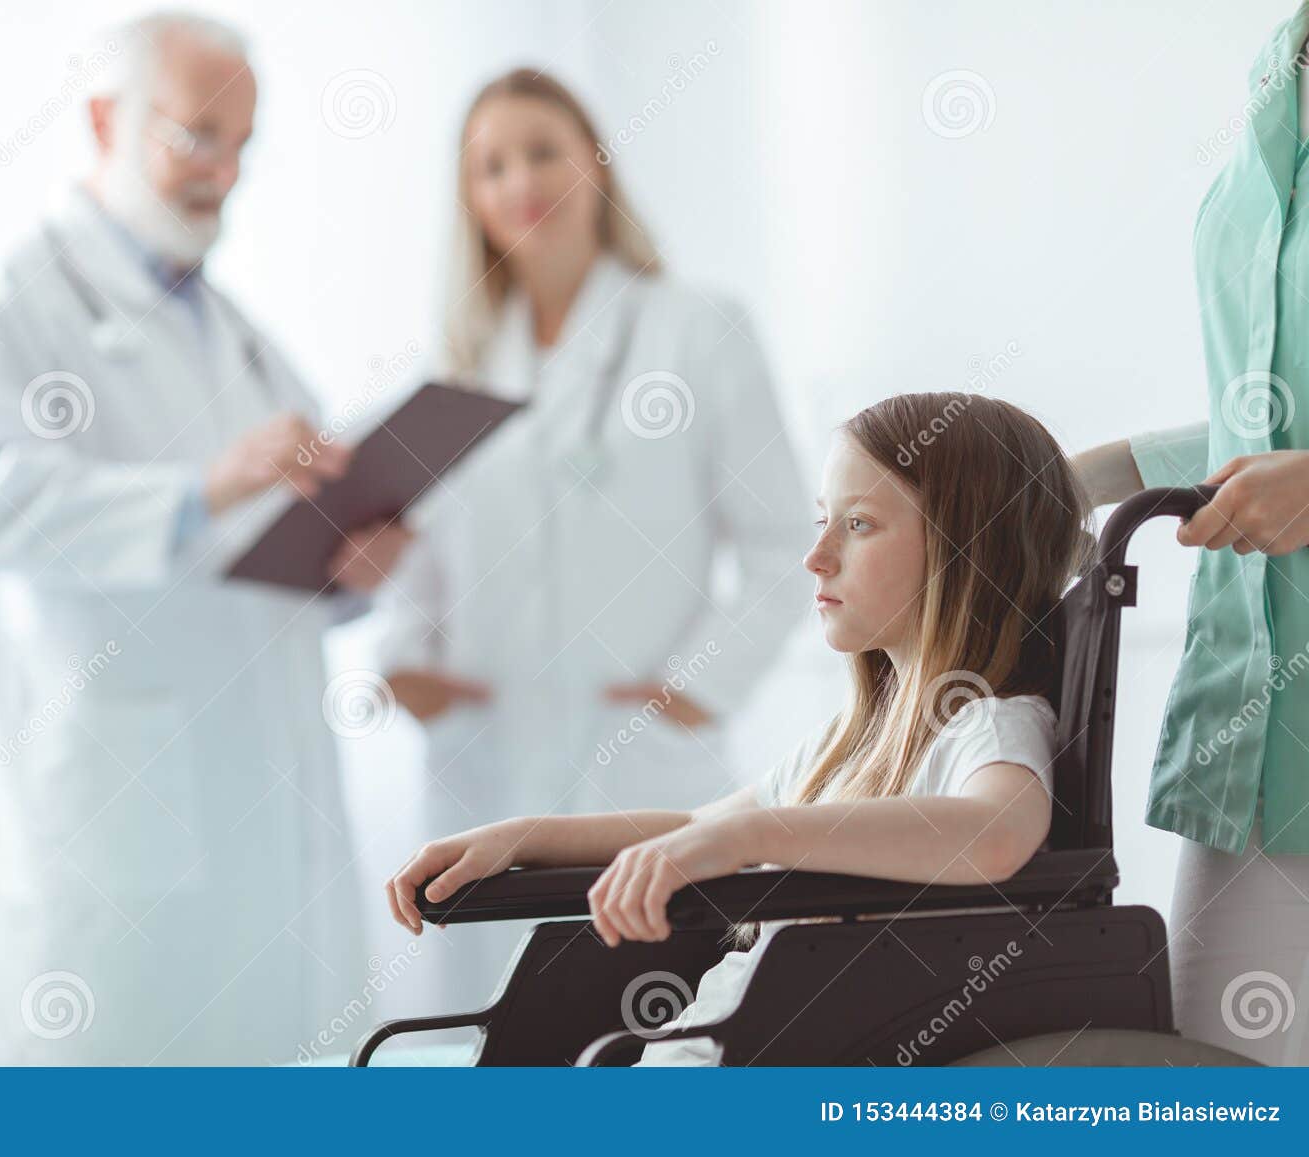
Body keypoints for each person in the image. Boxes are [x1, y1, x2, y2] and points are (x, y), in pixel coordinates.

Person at [0, 12, 408, 1064]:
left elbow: (274, 546)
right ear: (101, 118)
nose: (221, 173)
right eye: (194, 137)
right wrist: (197, 489)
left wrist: (347, 569)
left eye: (240, 147)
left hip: (262, 818)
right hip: (112, 826)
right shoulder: (8, 301)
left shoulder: (234, 330)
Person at [387, 392, 1085, 1065]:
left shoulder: (989, 727)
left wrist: (748, 838)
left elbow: (994, 836)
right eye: (822, 521)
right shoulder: (849, 744)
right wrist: (519, 838)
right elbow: (694, 823)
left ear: (966, 549)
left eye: (860, 524)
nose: (816, 557)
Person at [372, 68, 811, 1009]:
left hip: (641, 753)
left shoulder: (699, 329)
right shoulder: (457, 365)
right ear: (468, 200)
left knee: (651, 1026)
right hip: (481, 753)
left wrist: (693, 691)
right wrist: (405, 656)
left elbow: (784, 543)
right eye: (490, 165)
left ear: (596, 166)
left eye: (542, 151)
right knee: (484, 1039)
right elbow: (415, 543)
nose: (519, 180)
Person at [1070, 2, 1309, 1068]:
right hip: (1257, 730)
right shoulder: (1280, 65)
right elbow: (1263, 413)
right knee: (1216, 1091)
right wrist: (1081, 478)